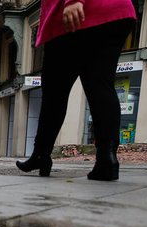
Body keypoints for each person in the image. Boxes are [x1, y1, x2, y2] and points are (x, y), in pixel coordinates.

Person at [16, 0, 136, 180]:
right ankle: (106, 158)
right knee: (100, 85)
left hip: (78, 16)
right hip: (114, 12)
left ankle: (41, 155)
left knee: (54, 93)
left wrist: (73, 2)